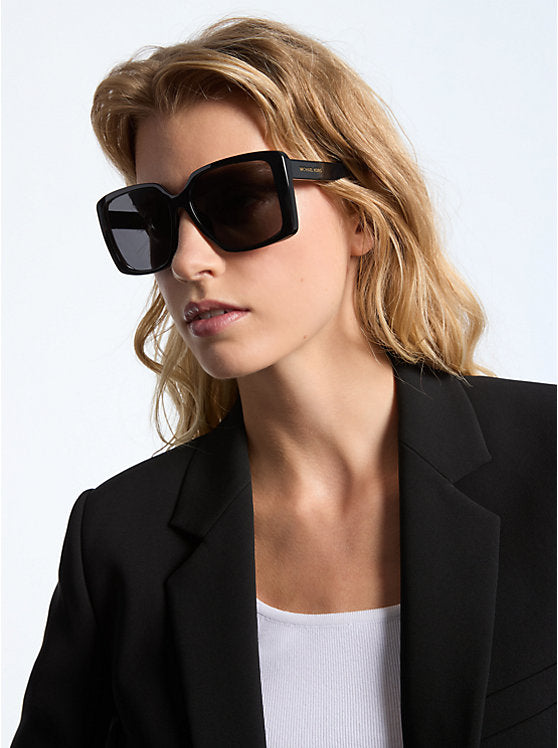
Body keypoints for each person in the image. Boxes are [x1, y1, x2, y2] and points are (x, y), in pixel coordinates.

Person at [12, 16, 555, 748]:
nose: (188, 262)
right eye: (155, 221)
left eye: (239, 201)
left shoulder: (547, 460)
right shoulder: (120, 544)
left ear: (361, 215)